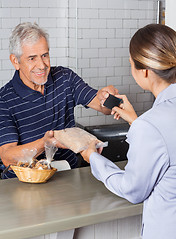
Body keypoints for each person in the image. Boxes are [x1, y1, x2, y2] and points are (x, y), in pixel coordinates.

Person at [80, 24, 176, 239]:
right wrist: (136, 121)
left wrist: (93, 158)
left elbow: (133, 190)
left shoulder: (151, 126)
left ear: (145, 71)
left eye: (131, 64)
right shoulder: (151, 123)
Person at [0, 22, 118, 179]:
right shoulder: (4, 100)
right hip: (22, 184)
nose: (41, 65)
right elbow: (7, 156)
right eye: (32, 58)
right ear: (15, 61)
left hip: (66, 176)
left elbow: (105, 107)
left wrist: (109, 98)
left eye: (45, 55)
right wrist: (47, 143)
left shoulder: (65, 78)